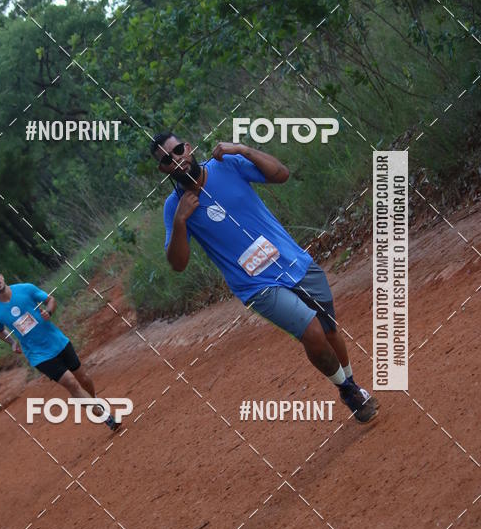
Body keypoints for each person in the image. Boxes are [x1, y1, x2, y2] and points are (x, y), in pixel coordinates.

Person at [150, 134, 379, 423]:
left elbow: (281, 174)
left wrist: (243, 148)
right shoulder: (174, 208)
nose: (177, 160)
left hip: (292, 260)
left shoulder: (227, 164)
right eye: (168, 160)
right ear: (164, 170)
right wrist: (180, 221)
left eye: (178, 150)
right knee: (312, 333)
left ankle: (351, 384)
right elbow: (178, 263)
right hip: (256, 285)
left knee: (329, 331)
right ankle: (347, 389)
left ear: (189, 147)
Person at [0, 269, 121, 432]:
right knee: (71, 383)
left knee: (83, 378)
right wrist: (12, 342)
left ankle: (93, 402)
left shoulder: (25, 289)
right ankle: (104, 416)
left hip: (57, 341)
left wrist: (48, 311)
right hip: (38, 355)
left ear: (1, 275)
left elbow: (50, 300)